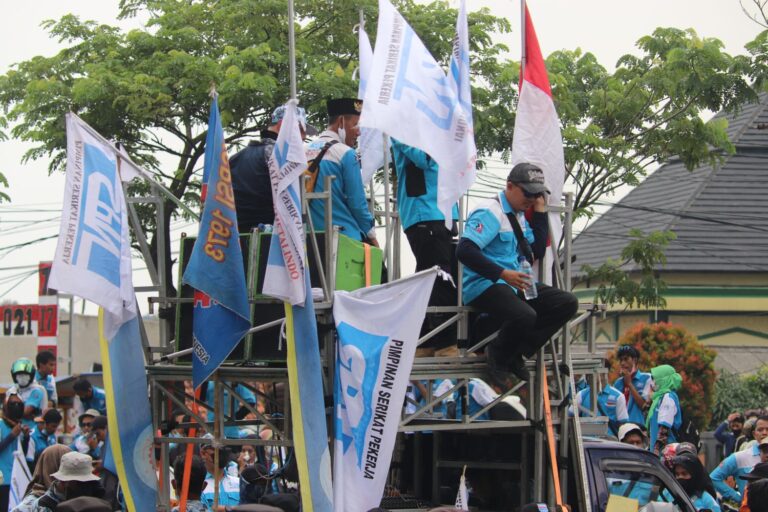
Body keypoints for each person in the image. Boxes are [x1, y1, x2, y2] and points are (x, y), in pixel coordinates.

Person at [456, 163, 578, 381]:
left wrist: (539, 212)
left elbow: (538, 249)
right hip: (485, 284)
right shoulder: (490, 212)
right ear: (510, 186)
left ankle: (516, 352)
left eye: (536, 194)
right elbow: (464, 250)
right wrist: (503, 274)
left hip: (514, 282)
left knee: (566, 302)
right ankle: (498, 354)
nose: (531, 199)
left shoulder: (519, 215)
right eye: (527, 193)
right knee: (525, 315)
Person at [391, 140, 459, 357]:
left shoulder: (434, 126)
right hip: (425, 214)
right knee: (440, 278)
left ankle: (424, 342)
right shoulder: (404, 126)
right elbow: (422, 158)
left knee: (434, 279)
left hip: (442, 212)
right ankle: (444, 344)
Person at [230, 104, 313, 234]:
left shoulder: (235, 158)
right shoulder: (281, 157)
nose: (303, 137)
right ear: (281, 126)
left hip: (232, 238)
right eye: (300, 130)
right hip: (272, 243)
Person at [306, 98, 377, 246]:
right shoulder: (346, 154)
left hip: (308, 239)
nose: (359, 132)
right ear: (341, 122)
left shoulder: (302, 152)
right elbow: (357, 204)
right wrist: (372, 235)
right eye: (355, 124)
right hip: (345, 240)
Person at [12, 452, 104, 512]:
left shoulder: (93, 493)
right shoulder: (46, 505)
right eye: (79, 482)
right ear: (64, 481)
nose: (84, 485)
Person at [710, 415, 768, 505]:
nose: (764, 433)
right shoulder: (740, 457)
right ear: (754, 434)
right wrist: (738, 498)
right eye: (760, 430)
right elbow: (714, 478)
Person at [2, 392, 31, 510]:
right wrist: (11, 436)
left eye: (19, 404)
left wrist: (26, 438)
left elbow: (22, 454)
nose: (17, 406)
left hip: (17, 480)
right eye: (13, 403)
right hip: (3, 480)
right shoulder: (0, 425)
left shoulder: (19, 427)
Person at [646, 365, 683, 455]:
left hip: (665, 453)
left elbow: (664, 428)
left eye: (655, 379)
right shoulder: (659, 398)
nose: (652, 382)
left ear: (663, 380)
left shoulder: (668, 397)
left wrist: (656, 450)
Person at [612, 345, 652, 427]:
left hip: (639, 427)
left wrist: (629, 384)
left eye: (626, 359)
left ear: (634, 360)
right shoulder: (618, 383)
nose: (622, 363)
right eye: (621, 360)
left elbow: (643, 406)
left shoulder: (647, 378)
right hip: (621, 428)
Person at [8, 358, 49, 428]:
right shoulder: (11, 391)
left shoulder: (37, 391)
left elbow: (25, 412)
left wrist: (11, 411)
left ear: (31, 375)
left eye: (25, 375)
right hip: (14, 428)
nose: (22, 377)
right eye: (19, 375)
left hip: (32, 429)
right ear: (14, 377)